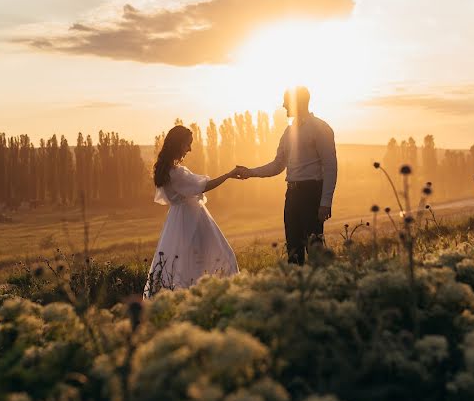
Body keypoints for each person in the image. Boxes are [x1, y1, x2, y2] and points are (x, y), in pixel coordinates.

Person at [236, 86, 337, 265]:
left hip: (312, 193)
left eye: (286, 102)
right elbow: (277, 166)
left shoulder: (320, 128)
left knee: (314, 250)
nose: (283, 105)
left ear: (297, 102)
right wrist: (250, 172)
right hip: (292, 195)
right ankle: (295, 289)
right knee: (293, 249)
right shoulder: (288, 132)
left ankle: (321, 289)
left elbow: (330, 166)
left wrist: (325, 203)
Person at [144, 125, 240, 297]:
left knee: (186, 263)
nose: (189, 149)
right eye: (187, 144)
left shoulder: (166, 170)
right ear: (178, 144)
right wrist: (228, 175)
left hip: (178, 220)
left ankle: (195, 296)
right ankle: (220, 296)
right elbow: (203, 186)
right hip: (190, 219)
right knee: (222, 255)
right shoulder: (176, 173)